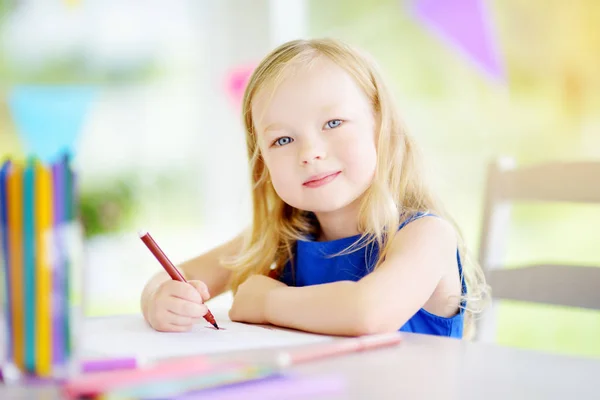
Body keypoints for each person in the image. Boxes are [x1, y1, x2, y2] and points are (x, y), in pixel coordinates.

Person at [141, 38, 489, 339]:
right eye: (283, 139)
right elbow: (174, 276)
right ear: (262, 161)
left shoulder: (426, 236)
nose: (310, 153)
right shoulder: (279, 240)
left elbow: (368, 313)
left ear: (379, 126)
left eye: (333, 123)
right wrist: (161, 300)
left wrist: (266, 302)